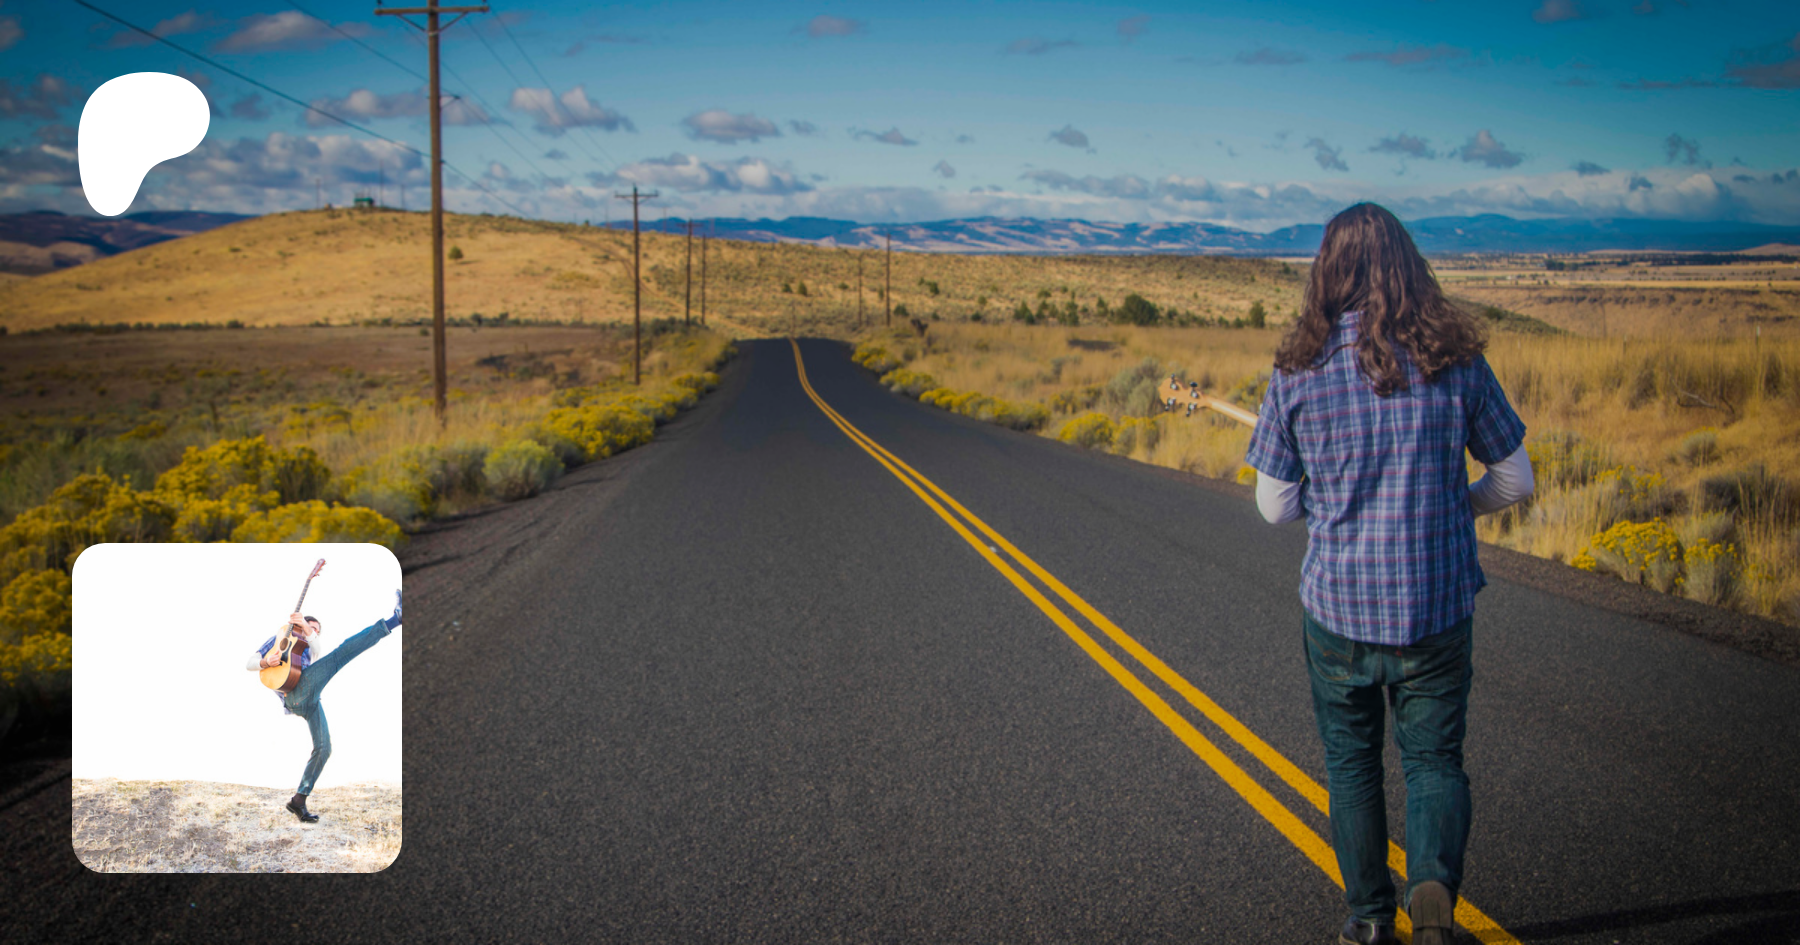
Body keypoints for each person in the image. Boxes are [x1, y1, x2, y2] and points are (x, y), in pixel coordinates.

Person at [1242, 203, 1533, 945]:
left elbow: (1274, 505)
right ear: (1408, 267)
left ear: (1327, 272)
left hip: (1339, 609)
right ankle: (1432, 887)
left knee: (1351, 765)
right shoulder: (1454, 359)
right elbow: (1514, 478)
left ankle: (1370, 918)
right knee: (1434, 760)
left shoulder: (1298, 370)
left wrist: (1329, 501)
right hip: (1436, 604)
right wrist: (1454, 507)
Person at [246, 590, 402, 823]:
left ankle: (298, 801)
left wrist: (309, 631)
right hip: (294, 695)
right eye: (311, 627)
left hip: (309, 698)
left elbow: (317, 648)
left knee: (324, 747)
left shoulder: (309, 646)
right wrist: (266, 661)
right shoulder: (279, 639)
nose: (315, 632)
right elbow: (249, 663)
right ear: (298, 625)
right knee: (341, 654)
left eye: (317, 630)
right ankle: (395, 619)